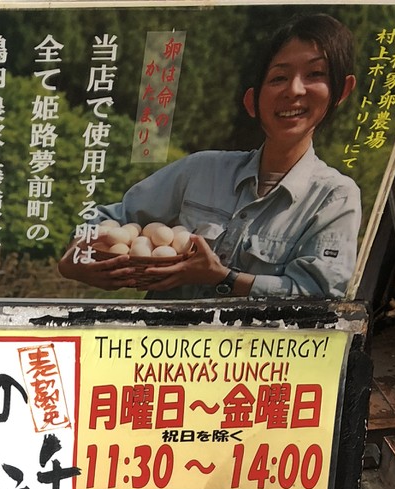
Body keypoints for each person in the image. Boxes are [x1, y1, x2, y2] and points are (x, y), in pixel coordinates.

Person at [58, 13, 360, 299]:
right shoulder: (201, 170)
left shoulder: (335, 198)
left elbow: (320, 294)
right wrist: (74, 258)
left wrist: (223, 278)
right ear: (252, 102)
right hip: (157, 346)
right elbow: (111, 219)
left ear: (341, 91)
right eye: (278, 78)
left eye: (315, 74)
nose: (294, 90)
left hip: (256, 354)